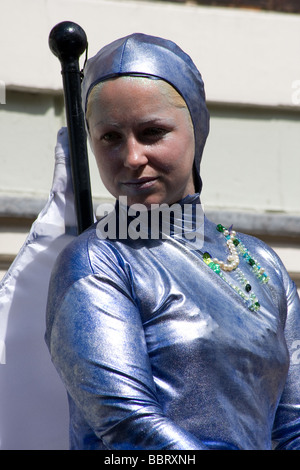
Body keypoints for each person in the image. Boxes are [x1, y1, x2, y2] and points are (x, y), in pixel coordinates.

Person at [45, 33, 300, 450]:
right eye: (110, 137)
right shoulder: (95, 260)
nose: (131, 158)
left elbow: (293, 427)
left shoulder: (262, 264)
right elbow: (130, 428)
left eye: (152, 132)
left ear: (196, 131)